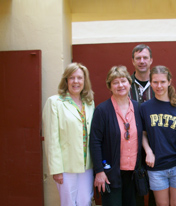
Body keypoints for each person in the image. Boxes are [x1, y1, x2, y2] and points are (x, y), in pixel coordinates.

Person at [141, 65, 176, 206]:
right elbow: (142, 133)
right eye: (155, 82)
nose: (159, 86)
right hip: (156, 166)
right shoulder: (145, 107)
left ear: (169, 82)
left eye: (162, 82)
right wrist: (148, 151)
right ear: (150, 82)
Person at [89, 66, 143, 206]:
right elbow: (95, 142)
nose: (120, 85)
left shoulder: (138, 108)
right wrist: (99, 171)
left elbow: (143, 135)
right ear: (110, 86)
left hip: (134, 174)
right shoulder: (102, 110)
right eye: (115, 82)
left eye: (123, 81)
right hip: (110, 174)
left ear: (129, 83)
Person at [42, 62, 95, 206]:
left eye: (80, 78)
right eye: (72, 78)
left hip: (87, 164)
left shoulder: (89, 103)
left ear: (85, 81)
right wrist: (56, 170)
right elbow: (52, 139)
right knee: (69, 203)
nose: (76, 81)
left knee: (85, 201)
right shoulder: (55, 102)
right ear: (66, 80)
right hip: (65, 166)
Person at [130, 44, 156, 206]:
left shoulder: (158, 82)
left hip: (156, 143)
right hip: (131, 144)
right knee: (135, 189)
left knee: (156, 187)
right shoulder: (125, 84)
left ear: (151, 60)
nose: (142, 61)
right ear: (132, 61)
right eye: (138, 58)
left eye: (145, 57)